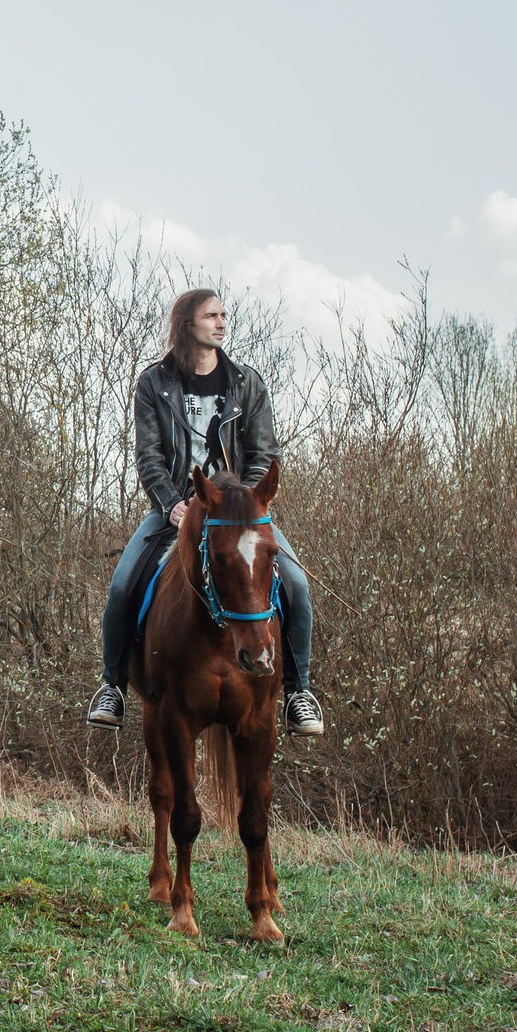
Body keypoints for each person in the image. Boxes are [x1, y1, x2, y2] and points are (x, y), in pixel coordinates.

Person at [86, 289, 323, 738]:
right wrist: (171, 503)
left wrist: (246, 502)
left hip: (239, 515)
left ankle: (299, 692)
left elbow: (264, 453)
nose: (221, 322)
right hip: (176, 509)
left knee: (296, 584)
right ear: (187, 324)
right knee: (122, 584)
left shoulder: (246, 383)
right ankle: (112, 687)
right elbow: (149, 456)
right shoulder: (153, 383)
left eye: (222, 315)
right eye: (211, 315)